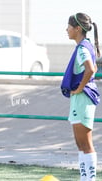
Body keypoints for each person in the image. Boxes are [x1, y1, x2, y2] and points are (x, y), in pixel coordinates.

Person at [61, 13, 100, 181]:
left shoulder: (83, 47)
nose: (66, 29)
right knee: (80, 144)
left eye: (69, 26)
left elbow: (91, 69)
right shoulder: (85, 45)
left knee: (85, 143)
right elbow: (95, 69)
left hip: (83, 98)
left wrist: (79, 89)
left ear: (77, 29)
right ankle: (84, 178)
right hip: (80, 99)